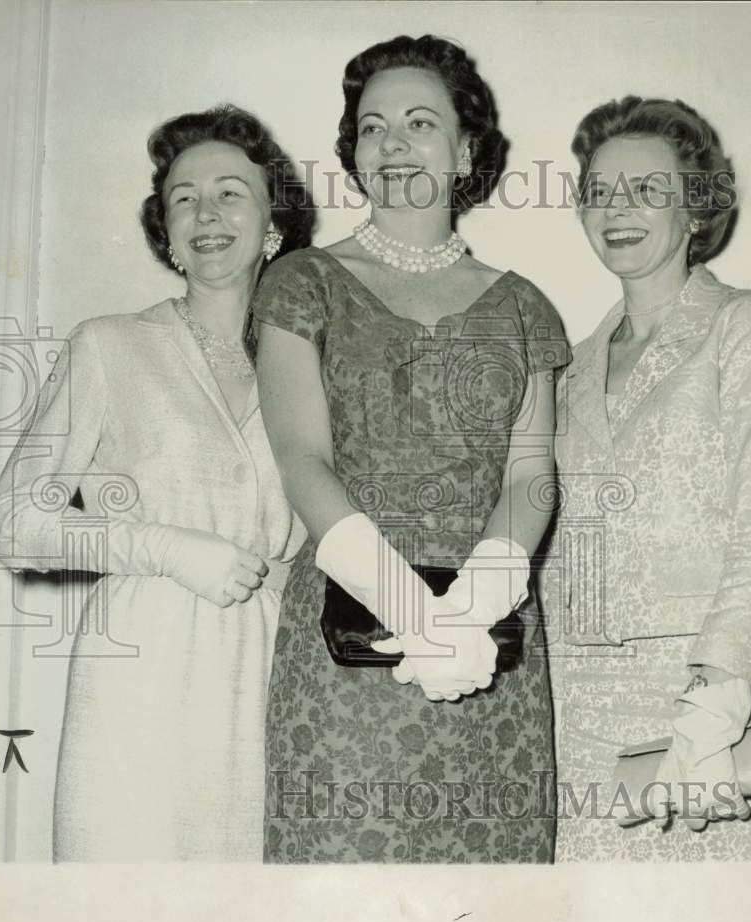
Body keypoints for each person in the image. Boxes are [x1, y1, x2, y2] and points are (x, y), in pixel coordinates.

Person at [253, 35, 571, 863]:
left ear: (466, 149)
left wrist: (464, 617)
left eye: (419, 123)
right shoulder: (301, 283)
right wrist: (415, 617)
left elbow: (532, 477)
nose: (392, 144)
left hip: (488, 651)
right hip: (349, 643)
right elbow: (301, 461)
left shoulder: (526, 307)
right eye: (372, 127)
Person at [0, 104, 314, 860]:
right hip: (139, 667)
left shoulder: (316, 366)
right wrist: (166, 547)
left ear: (275, 219)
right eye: (182, 197)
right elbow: (11, 520)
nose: (206, 212)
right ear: (165, 230)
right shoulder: (111, 347)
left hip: (268, 674)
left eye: (231, 192)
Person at [542, 95, 751, 861]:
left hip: (718, 705)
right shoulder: (568, 367)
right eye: (599, 191)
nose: (617, 209)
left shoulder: (745, 323)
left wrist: (714, 708)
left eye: (648, 189)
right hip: (584, 718)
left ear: (696, 210)